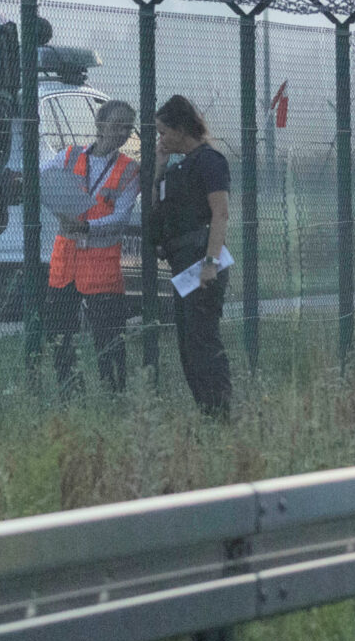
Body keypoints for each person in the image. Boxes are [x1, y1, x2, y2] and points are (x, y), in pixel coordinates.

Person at [46, 99, 141, 395]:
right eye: (117, 125)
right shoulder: (69, 156)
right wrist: (60, 211)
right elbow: (42, 180)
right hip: (66, 262)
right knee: (60, 334)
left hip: (101, 266)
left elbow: (121, 217)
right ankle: (69, 390)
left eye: (128, 127)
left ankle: (114, 392)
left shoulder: (129, 170)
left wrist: (87, 227)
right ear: (99, 126)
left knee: (109, 337)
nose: (123, 132)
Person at [150, 94, 233, 417]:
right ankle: (206, 412)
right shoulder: (177, 167)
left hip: (202, 259)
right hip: (182, 261)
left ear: (182, 128)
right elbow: (158, 206)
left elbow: (220, 214)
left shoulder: (210, 161)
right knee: (187, 343)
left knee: (203, 340)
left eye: (163, 132)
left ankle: (220, 411)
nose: (161, 139)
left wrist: (210, 263)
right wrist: (159, 166)